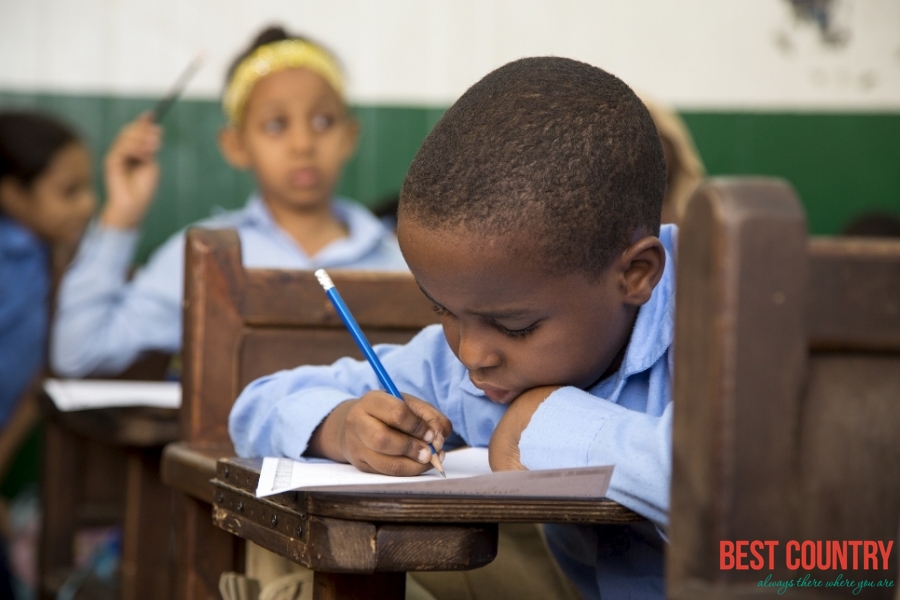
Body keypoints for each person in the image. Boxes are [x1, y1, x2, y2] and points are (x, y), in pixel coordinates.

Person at [230, 57, 674, 599]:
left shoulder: (735, 326)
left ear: (635, 274)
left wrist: (555, 423)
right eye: (441, 310)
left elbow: (759, 506)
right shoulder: (471, 362)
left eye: (516, 326)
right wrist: (341, 426)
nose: (471, 354)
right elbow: (259, 404)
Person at [51, 26, 407, 378]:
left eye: (322, 121)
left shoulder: (397, 258)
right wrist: (121, 216)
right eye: (275, 125)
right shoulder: (202, 257)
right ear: (235, 145)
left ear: (349, 136)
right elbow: (78, 353)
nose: (303, 144)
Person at [0, 109, 96, 598]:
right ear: (13, 194)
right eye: (69, 191)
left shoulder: (48, 258)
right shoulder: (10, 260)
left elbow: (40, 376)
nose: (87, 204)